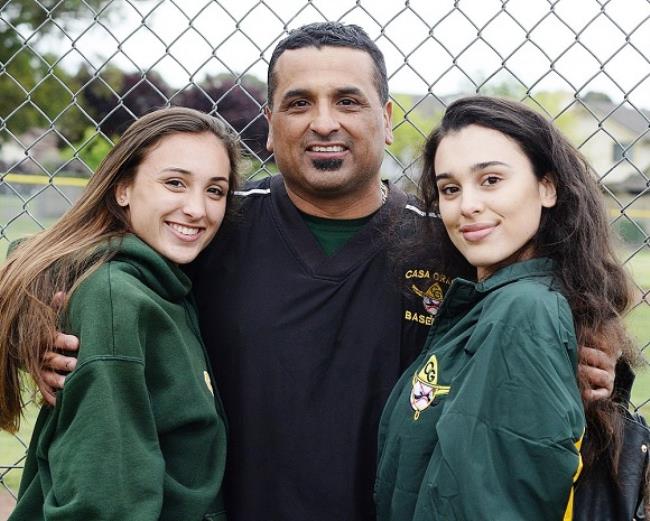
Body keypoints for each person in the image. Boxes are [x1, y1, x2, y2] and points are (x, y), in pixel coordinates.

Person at [38, 23, 617, 521]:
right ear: (269, 123)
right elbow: (86, 263)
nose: (323, 122)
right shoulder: (214, 223)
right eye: (298, 103)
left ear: (387, 119)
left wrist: (593, 355)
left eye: (347, 100)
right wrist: (41, 325)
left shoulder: (452, 242)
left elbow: (545, 308)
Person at [375, 96, 638, 520]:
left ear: (547, 187)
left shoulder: (522, 311)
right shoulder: (489, 303)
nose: (468, 205)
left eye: (491, 180)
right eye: (450, 189)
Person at [0, 107, 240, 520]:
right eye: (175, 183)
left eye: (215, 191)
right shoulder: (116, 300)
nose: (198, 209)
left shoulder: (166, 284)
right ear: (123, 188)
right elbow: (105, 499)